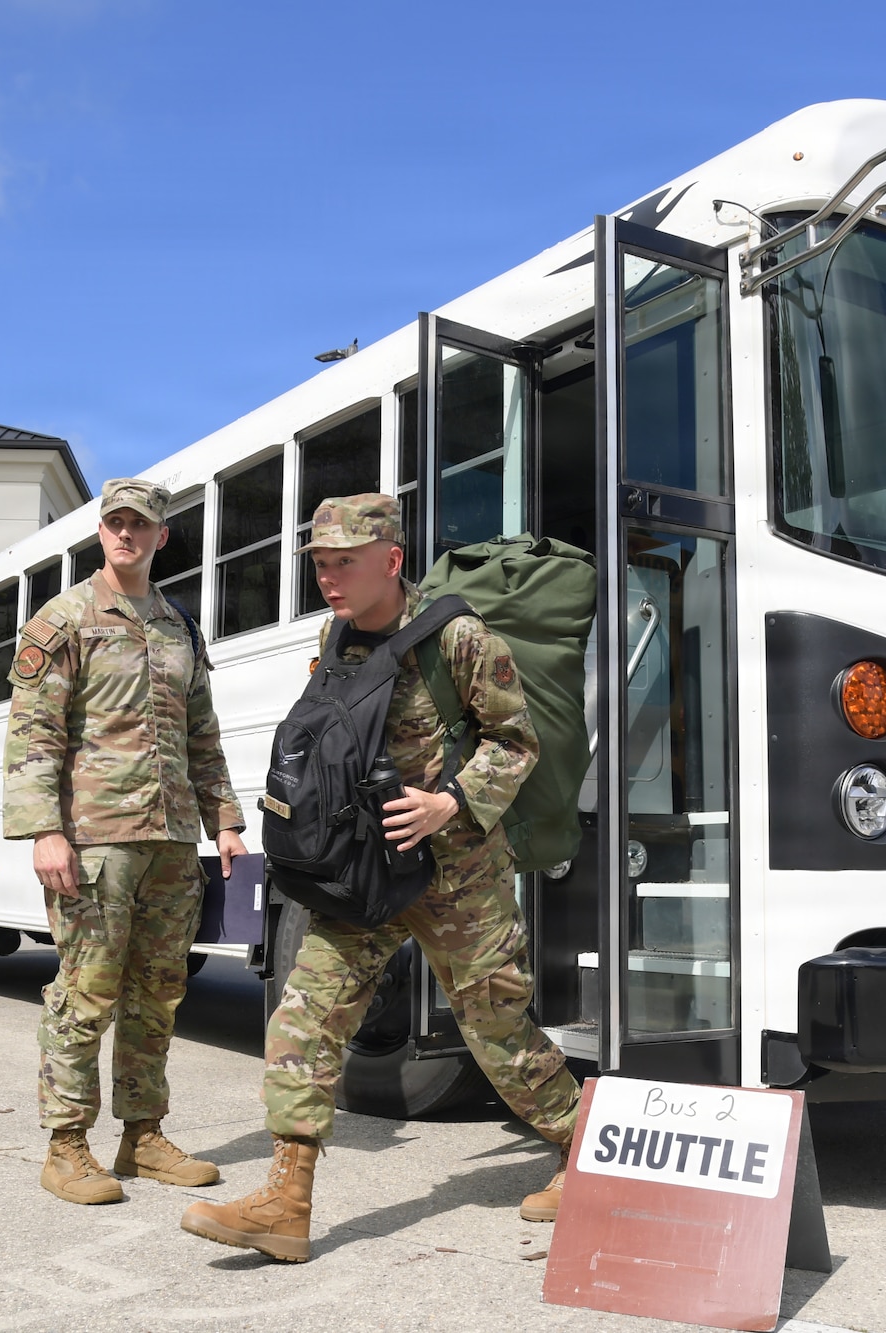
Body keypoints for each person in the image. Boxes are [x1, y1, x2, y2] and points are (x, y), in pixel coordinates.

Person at [180, 492, 579, 1263]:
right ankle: (285, 1202)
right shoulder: (338, 637)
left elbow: (516, 743)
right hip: (367, 870)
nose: (328, 579)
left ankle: (580, 1146)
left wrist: (451, 801)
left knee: (497, 1028)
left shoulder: (459, 637)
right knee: (305, 1014)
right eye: (321, 564)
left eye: (344, 563)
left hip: (458, 870)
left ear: (391, 561)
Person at [3, 477, 248, 1205]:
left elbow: (200, 734)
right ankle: (66, 1145)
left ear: (161, 535)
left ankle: (142, 1135)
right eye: (114, 522)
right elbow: (34, 732)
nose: (126, 534)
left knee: (158, 993)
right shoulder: (65, 619)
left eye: (139, 524)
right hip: (96, 840)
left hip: (171, 842)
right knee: (86, 992)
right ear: (100, 531)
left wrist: (225, 820)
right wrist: (45, 828)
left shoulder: (179, 627)